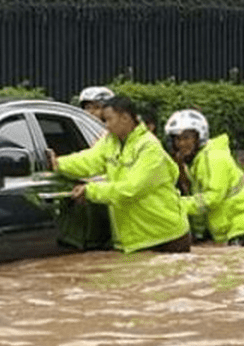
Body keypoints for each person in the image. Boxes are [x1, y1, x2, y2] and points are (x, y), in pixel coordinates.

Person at [49, 96, 191, 253]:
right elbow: (89, 160)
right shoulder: (111, 142)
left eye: (109, 120)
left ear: (125, 118)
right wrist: (58, 164)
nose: (106, 126)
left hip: (165, 237)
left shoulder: (150, 148)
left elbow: (131, 189)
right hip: (134, 239)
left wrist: (90, 191)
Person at [164, 109, 244, 246]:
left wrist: (176, 205)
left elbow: (212, 198)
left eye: (186, 138)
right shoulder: (197, 161)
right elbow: (201, 203)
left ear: (199, 137)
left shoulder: (213, 158)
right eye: (177, 139)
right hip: (239, 224)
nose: (181, 144)